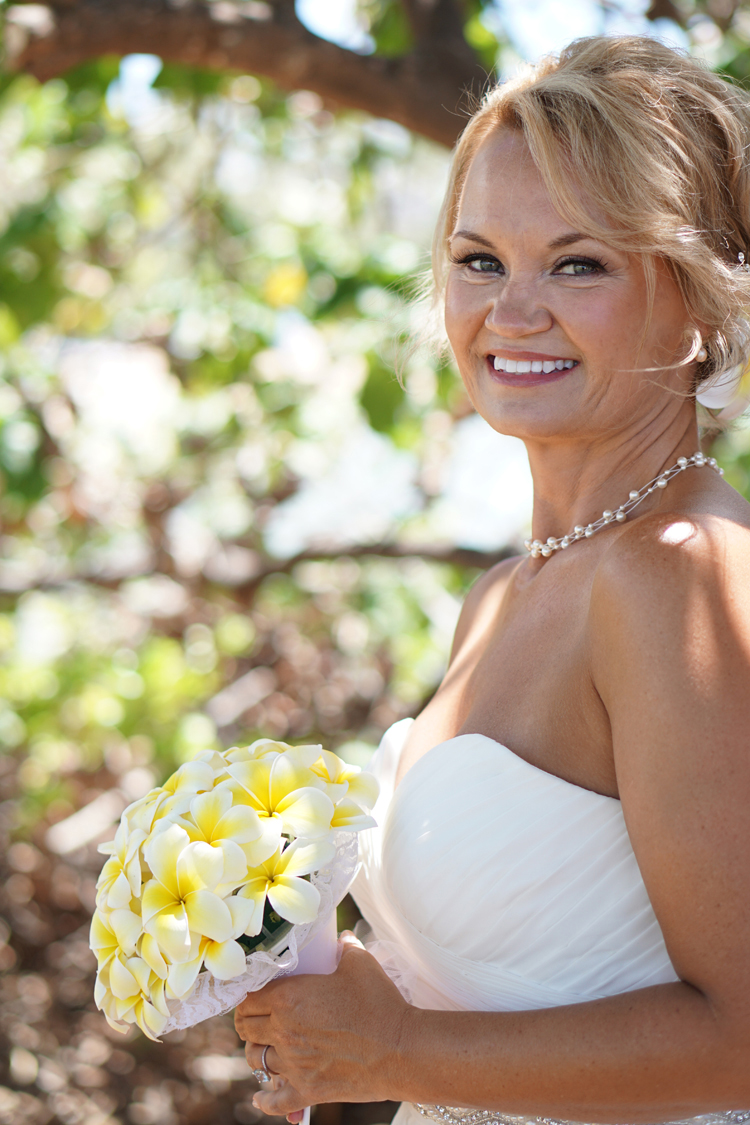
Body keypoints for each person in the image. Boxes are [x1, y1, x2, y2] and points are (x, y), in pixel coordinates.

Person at [235, 35, 750, 1125]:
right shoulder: (508, 592)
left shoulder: (682, 579)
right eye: (479, 260)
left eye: (579, 263)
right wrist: (327, 1015)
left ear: (699, 302)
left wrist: (401, 1050)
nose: (512, 314)